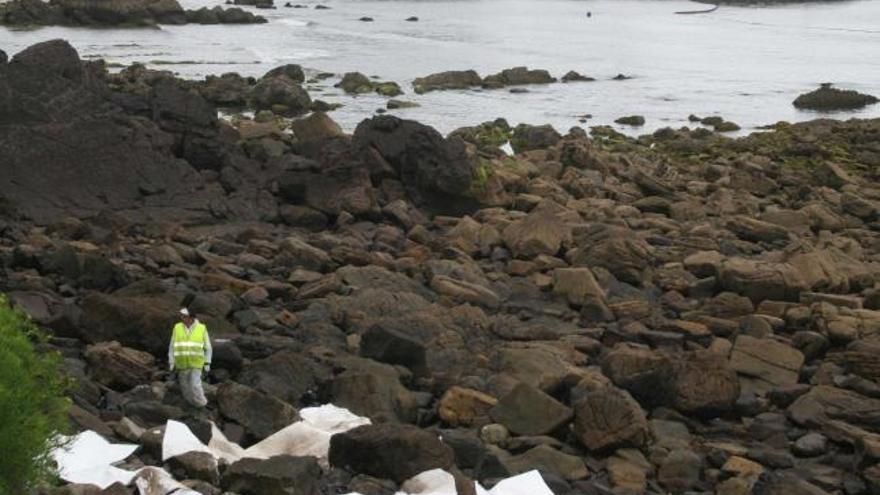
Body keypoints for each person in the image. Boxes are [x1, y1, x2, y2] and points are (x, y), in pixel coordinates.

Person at [168, 308, 212, 408]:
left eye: (184, 316)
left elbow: (208, 347)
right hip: (182, 363)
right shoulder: (177, 327)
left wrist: (207, 362)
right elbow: (172, 345)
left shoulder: (201, 328)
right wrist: (171, 361)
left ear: (191, 317)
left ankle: (203, 404)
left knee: (195, 385)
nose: (182, 318)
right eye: (181, 316)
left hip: (196, 362)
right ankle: (191, 405)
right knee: (185, 387)